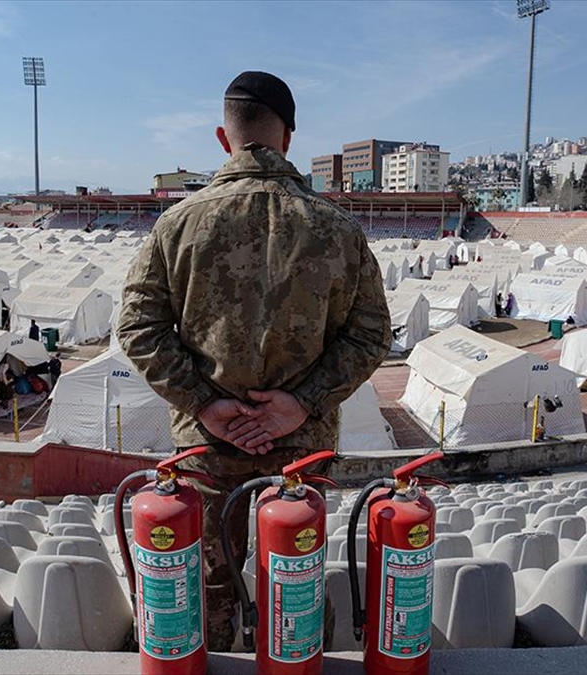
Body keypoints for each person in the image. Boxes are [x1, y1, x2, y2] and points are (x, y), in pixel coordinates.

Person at [118, 70, 392, 652]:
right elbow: (371, 336)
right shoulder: (338, 228)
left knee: (204, 592)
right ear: (288, 139)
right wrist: (299, 404)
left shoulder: (178, 223)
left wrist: (208, 405)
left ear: (224, 138)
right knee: (296, 586)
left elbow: (138, 328)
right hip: (301, 449)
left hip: (204, 446)